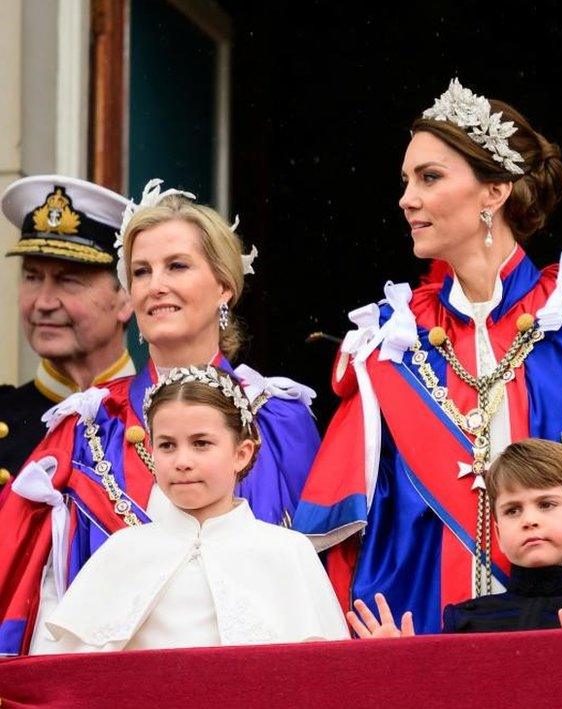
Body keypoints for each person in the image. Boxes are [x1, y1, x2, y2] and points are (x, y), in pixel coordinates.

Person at [294, 79, 562, 633]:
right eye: (406, 181)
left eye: (430, 177)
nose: (406, 199)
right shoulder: (394, 337)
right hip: (427, 627)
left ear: (495, 192)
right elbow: (368, 519)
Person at [0, 182, 321, 655]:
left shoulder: (279, 421)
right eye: (141, 271)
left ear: (224, 286)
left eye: (177, 266)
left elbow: (324, 581)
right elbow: (31, 595)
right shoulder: (84, 429)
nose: (156, 286)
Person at [33, 365, 348, 652]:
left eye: (201, 444)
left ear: (242, 453)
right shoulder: (121, 551)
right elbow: (70, 678)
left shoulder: (288, 552)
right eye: (167, 445)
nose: (182, 462)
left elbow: (326, 681)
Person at [347, 438, 562, 637]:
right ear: (499, 534)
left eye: (546, 504)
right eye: (513, 510)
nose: (529, 520)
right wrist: (399, 666)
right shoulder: (466, 621)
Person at [0, 176, 135, 486]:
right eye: (33, 277)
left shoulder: (163, 418)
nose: (44, 302)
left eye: (69, 280)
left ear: (126, 297)